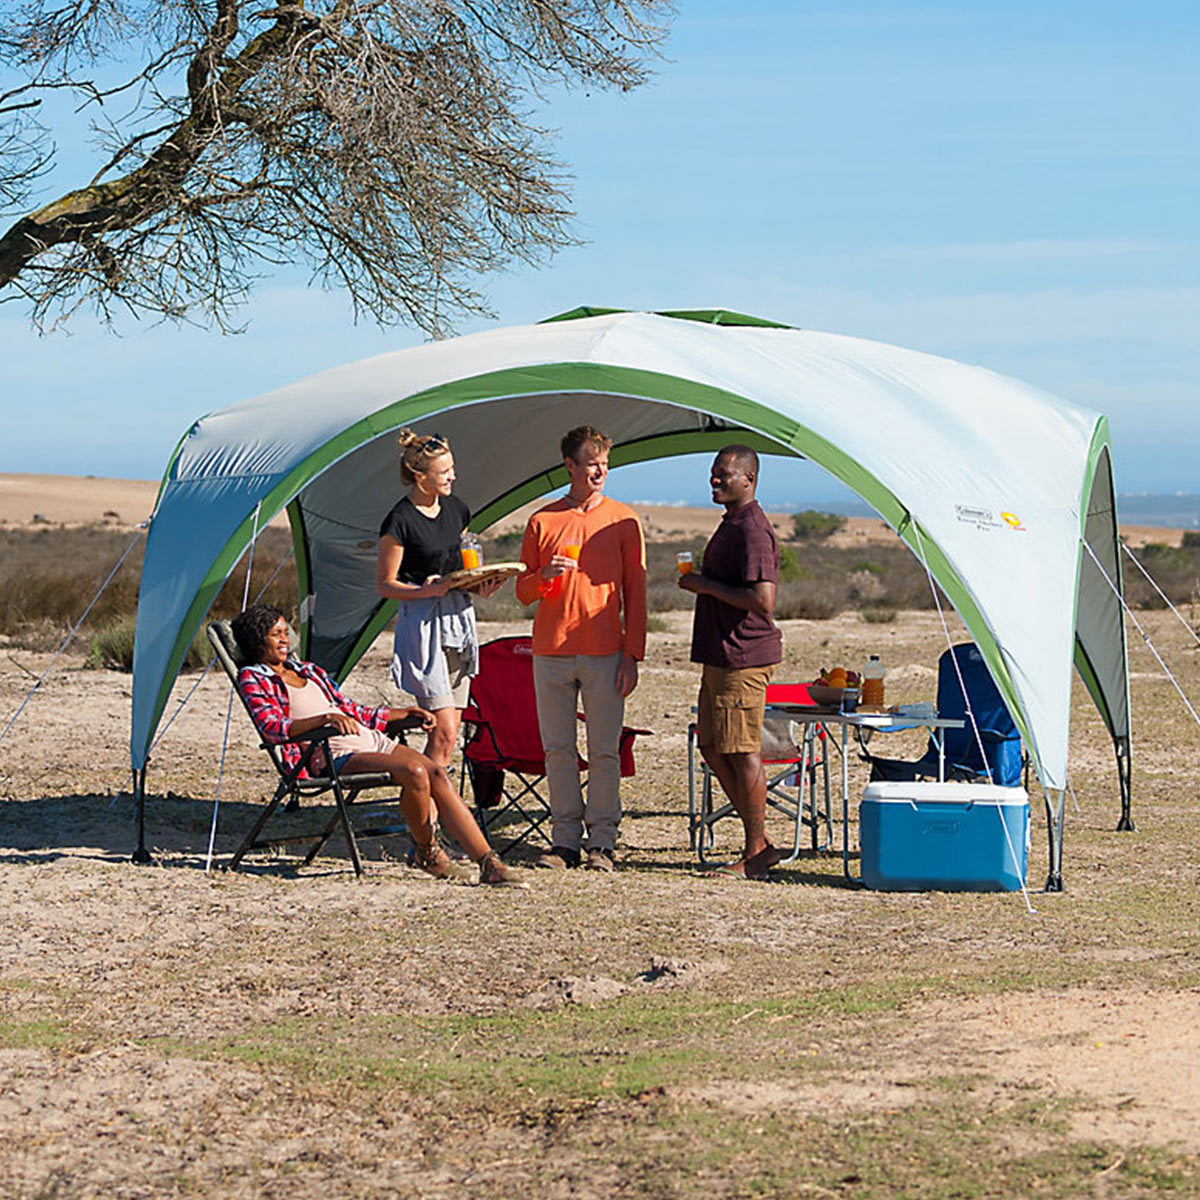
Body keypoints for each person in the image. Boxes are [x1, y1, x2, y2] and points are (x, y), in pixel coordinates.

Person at [231, 603, 524, 887]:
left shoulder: (309, 671)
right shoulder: (254, 678)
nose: (285, 639)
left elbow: (352, 710)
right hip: (332, 754)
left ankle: (489, 863)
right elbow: (272, 728)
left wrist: (403, 714)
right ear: (258, 640)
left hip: (370, 740)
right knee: (415, 772)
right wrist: (325, 720)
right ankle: (429, 852)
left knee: (437, 773)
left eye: (286, 632)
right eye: (276, 634)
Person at [515, 426, 647, 873]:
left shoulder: (624, 520)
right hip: (550, 651)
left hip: (606, 652)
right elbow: (523, 592)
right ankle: (564, 842)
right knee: (558, 749)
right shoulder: (543, 520)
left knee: (605, 750)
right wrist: (545, 574)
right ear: (569, 465)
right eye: (591, 462)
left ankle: (603, 843)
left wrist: (633, 654)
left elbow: (637, 591)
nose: (600, 470)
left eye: (604, 463)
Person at [678, 445, 783, 880]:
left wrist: (704, 585)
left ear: (749, 479)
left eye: (723, 475)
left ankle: (755, 851)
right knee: (713, 746)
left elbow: (763, 600)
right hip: (722, 655)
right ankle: (760, 842)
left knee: (742, 752)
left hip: (743, 656)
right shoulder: (734, 524)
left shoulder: (753, 531)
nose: (714, 481)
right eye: (712, 474)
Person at [376, 429, 500, 766]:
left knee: (449, 735)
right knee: (442, 729)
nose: (453, 477)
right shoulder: (399, 520)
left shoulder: (457, 509)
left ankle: (428, 813)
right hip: (423, 625)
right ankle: (422, 809)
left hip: (458, 622)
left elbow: (458, 567)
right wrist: (425, 590)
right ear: (420, 477)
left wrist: (480, 584)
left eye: (452, 468)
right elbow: (385, 584)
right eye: (444, 472)